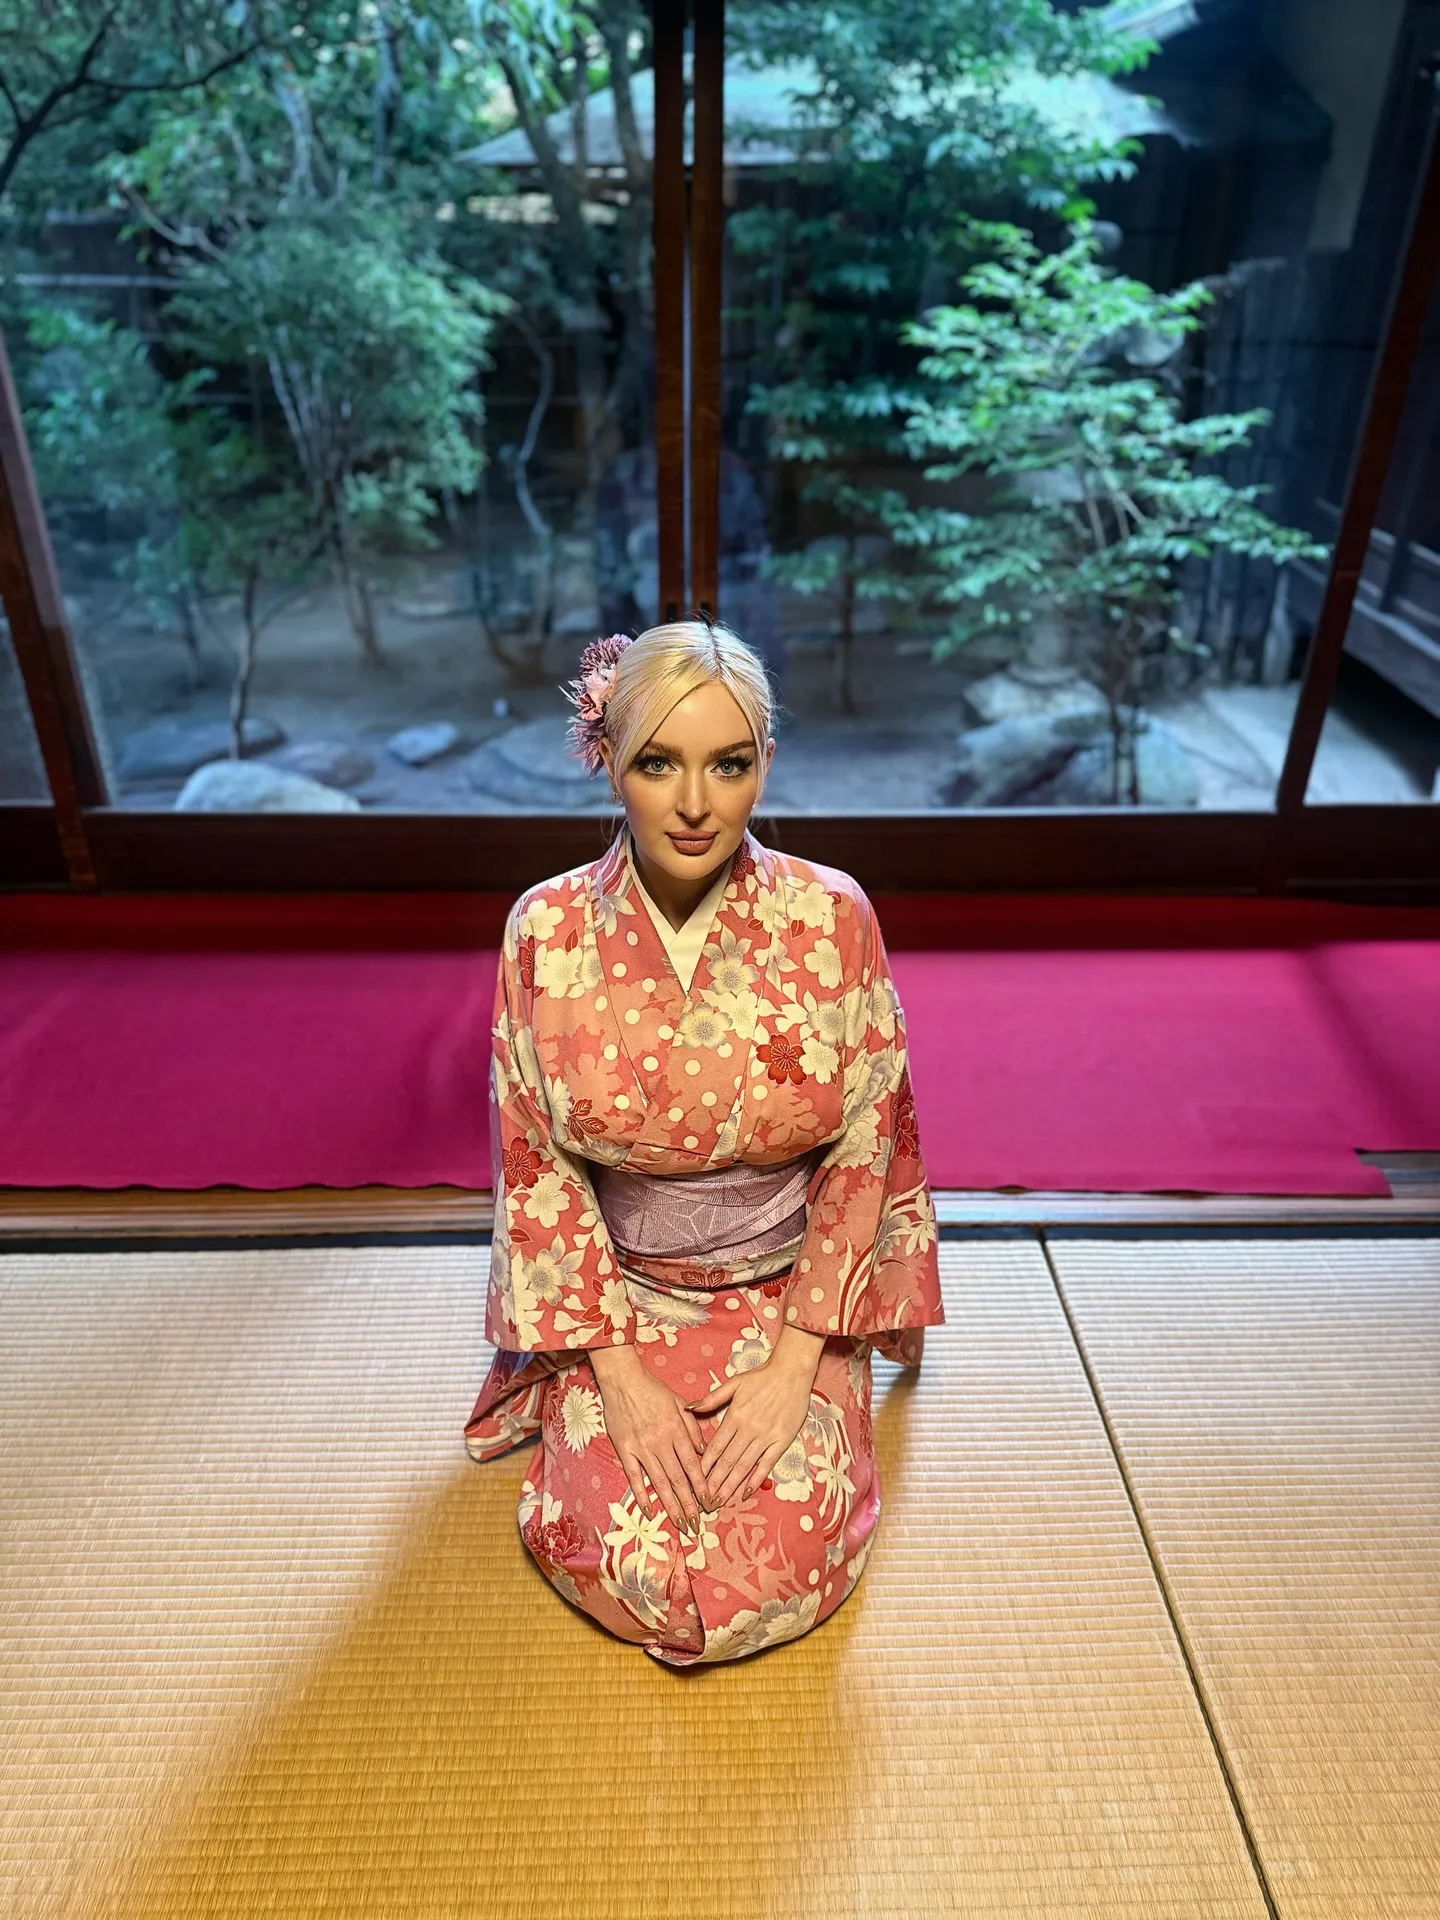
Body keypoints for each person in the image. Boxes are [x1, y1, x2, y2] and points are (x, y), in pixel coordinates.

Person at [464, 620, 943, 1666]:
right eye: (657, 764)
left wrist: (798, 1365)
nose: (695, 803)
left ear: (765, 759)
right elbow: (538, 1164)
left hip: (791, 1297)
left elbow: (871, 1140)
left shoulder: (831, 916)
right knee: (634, 1555)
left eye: (729, 764)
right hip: (620, 1299)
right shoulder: (545, 930)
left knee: (774, 1553)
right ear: (607, 761)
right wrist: (617, 1374)